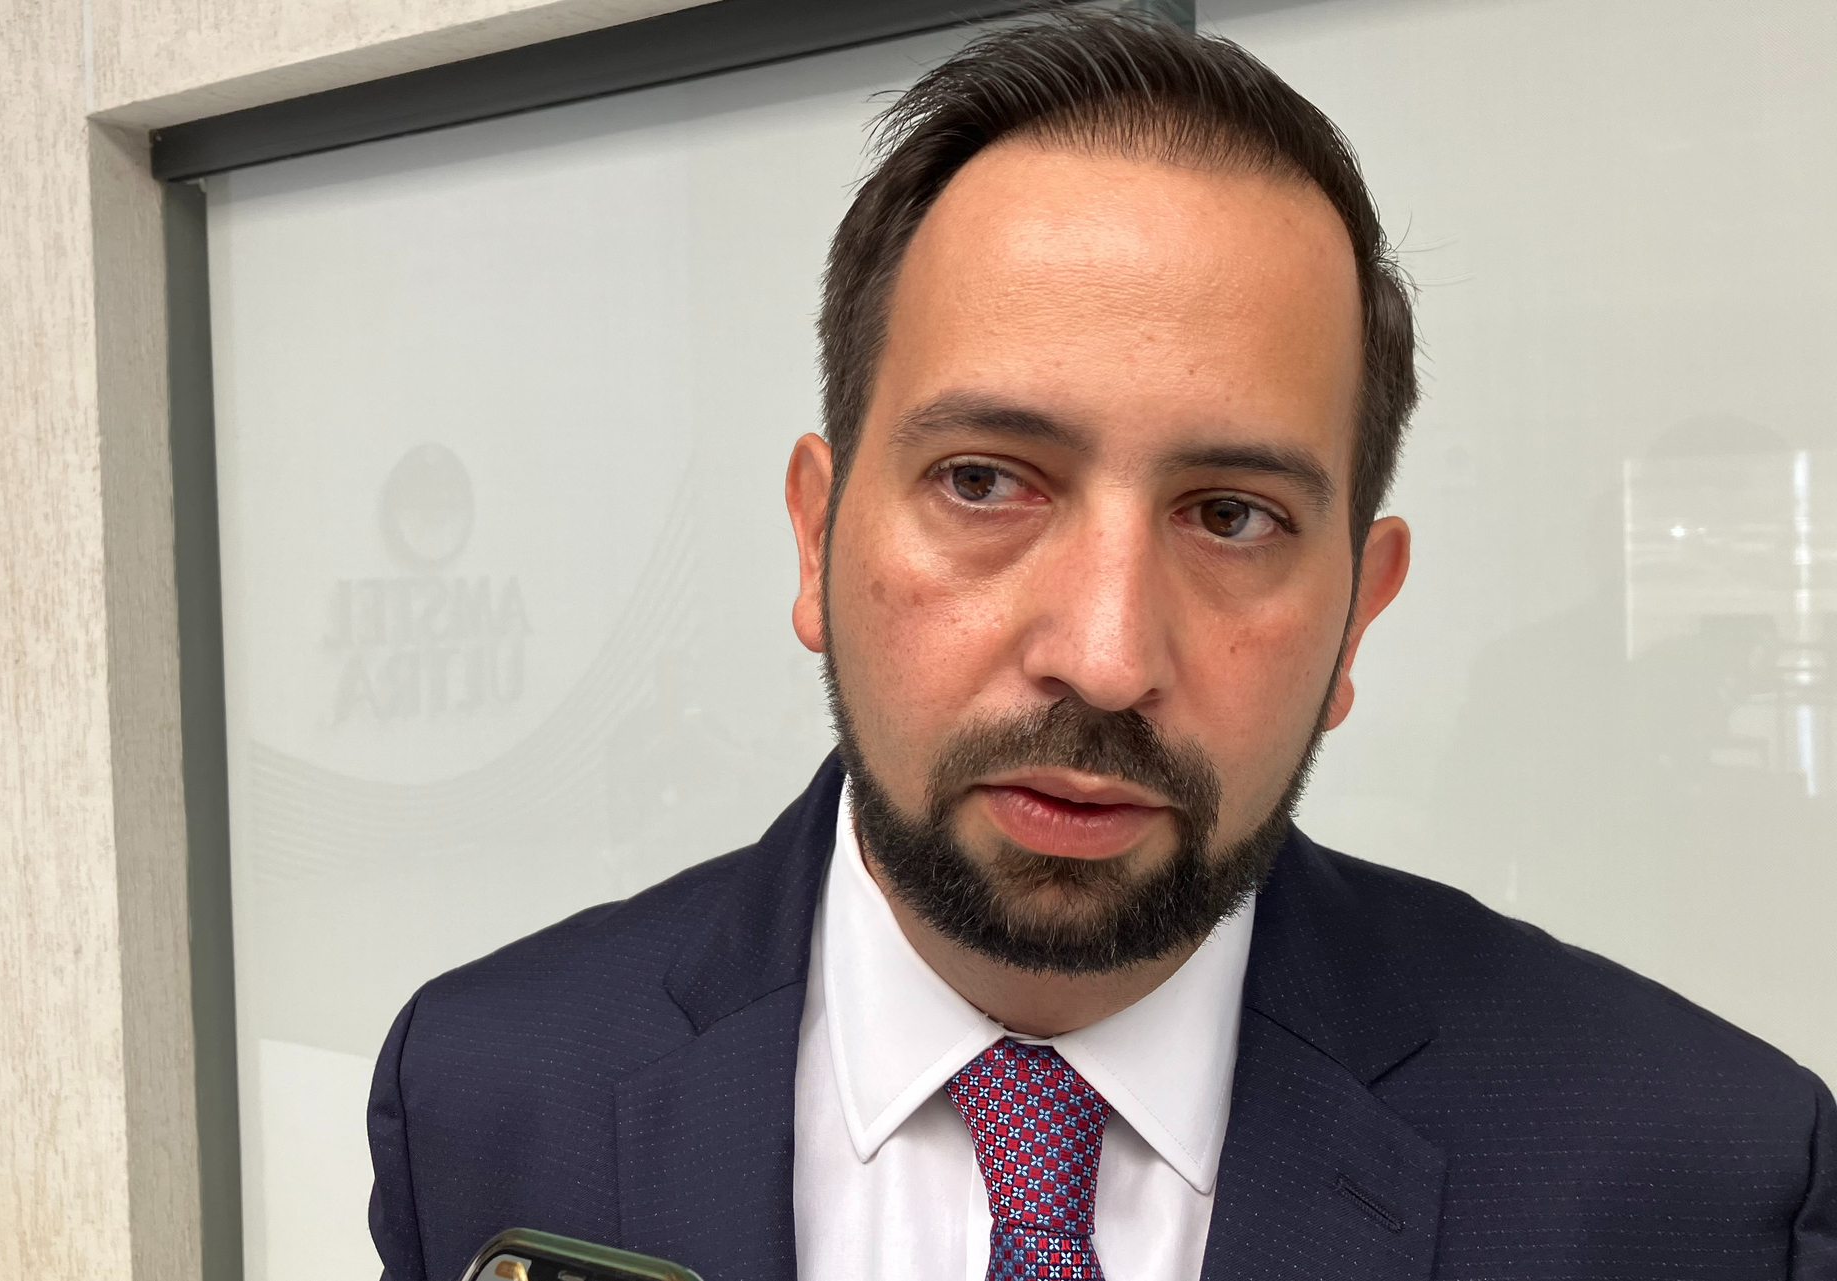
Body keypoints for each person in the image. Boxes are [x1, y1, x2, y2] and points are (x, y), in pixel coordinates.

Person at [366, 12, 1834, 1280]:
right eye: (984, 481)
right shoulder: (488, 1094)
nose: (1107, 653)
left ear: (1357, 614)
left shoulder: (1702, 1185)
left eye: (1234, 516)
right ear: (815, 538)